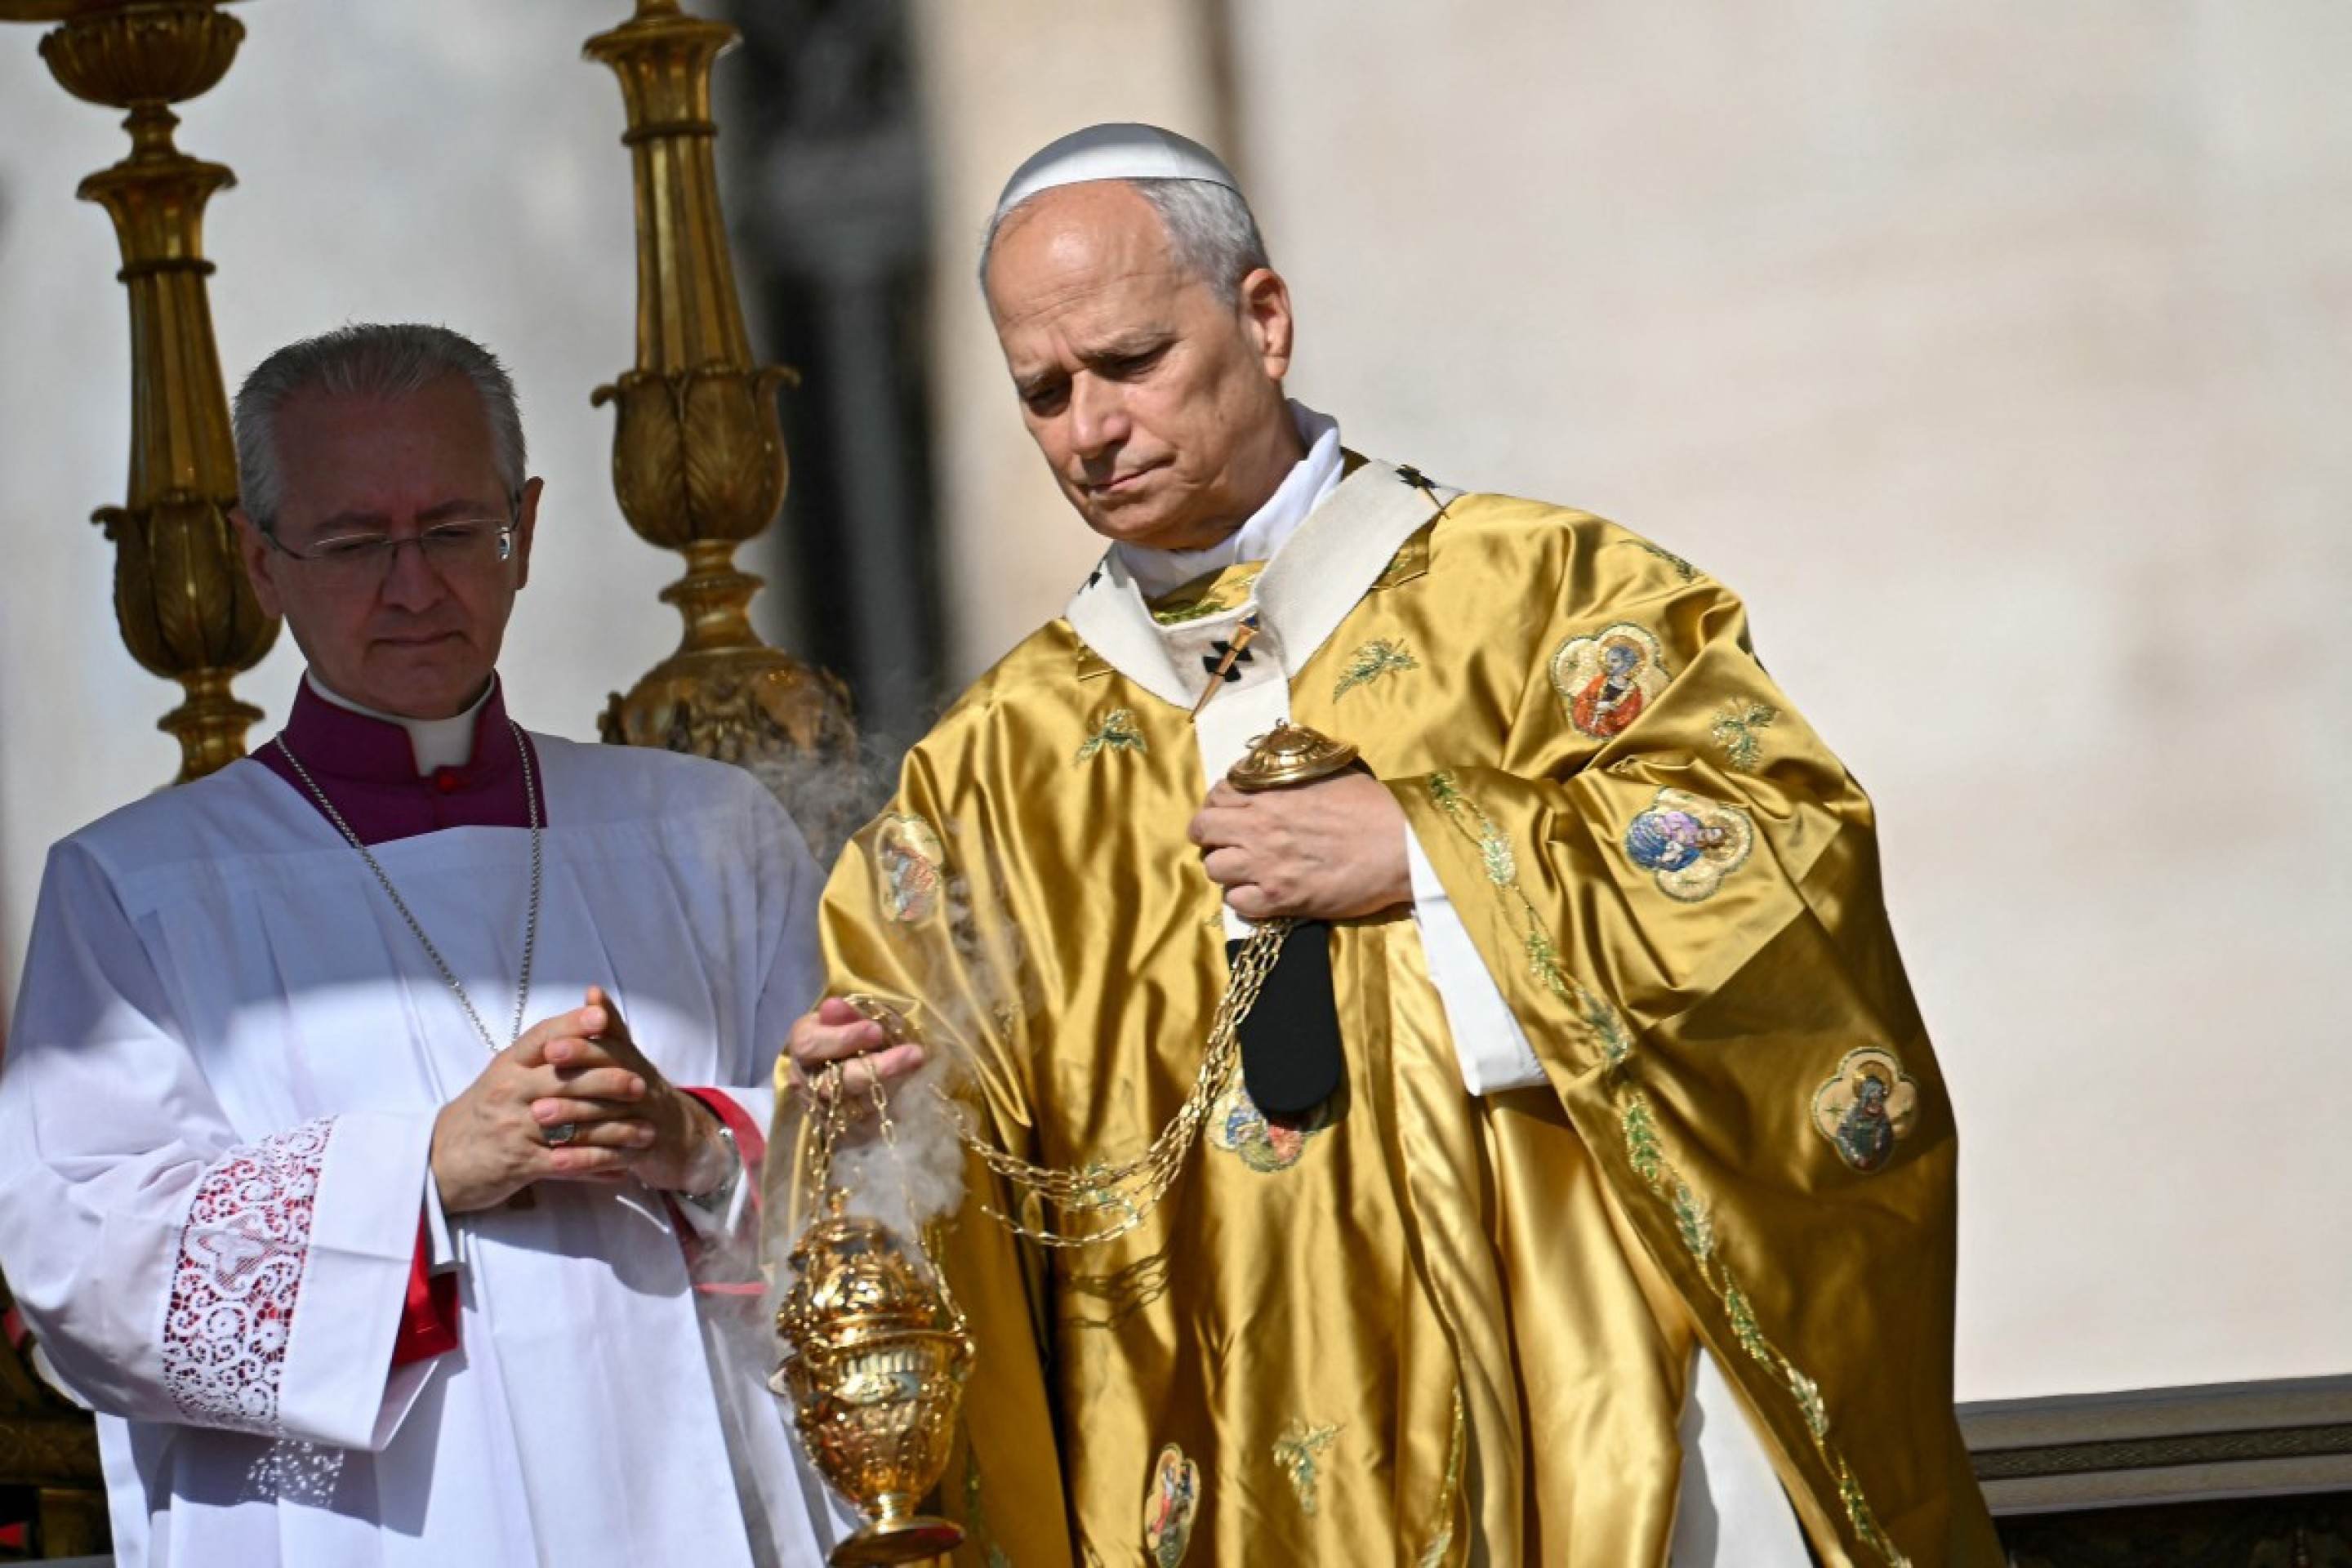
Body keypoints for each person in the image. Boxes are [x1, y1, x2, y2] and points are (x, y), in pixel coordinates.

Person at [777, 126, 2003, 1566]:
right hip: (1206, 1447)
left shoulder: (1545, 601)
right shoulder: (992, 768)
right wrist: (883, 1107)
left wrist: (1431, 852)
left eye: (1131, 363)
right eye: (1044, 393)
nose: (1091, 430)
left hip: (1568, 1414)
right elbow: (932, 1148)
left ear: (1264, 320)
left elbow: (1781, 861)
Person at [0, 324, 842, 1566]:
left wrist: (702, 1145)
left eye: (453, 531)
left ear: (525, 530)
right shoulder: (136, 889)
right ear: (261, 562)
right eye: (352, 544)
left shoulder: (706, 834)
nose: (412, 588)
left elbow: (888, 1178)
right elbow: (86, 1266)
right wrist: (422, 1174)